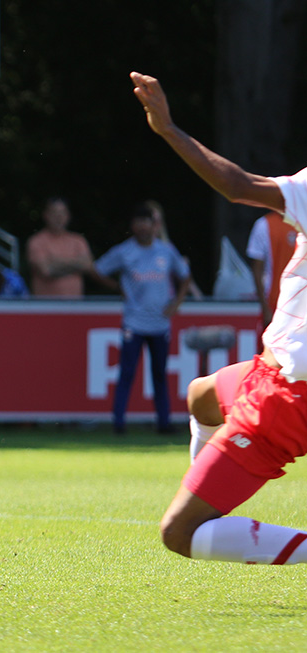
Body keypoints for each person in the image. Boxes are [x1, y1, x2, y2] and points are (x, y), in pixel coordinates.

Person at [132, 70, 307, 566]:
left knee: (178, 534)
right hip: (273, 375)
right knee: (201, 395)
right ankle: (209, 489)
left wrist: (168, 129)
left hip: (286, 396)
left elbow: (236, 186)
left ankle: (205, 514)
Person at [94, 205, 191, 435]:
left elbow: (185, 276)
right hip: (134, 322)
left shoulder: (165, 251)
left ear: (153, 225)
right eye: (139, 223)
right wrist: (117, 287)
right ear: (133, 227)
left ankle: (164, 422)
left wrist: (176, 303)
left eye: (147, 222)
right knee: (126, 372)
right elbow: (97, 269)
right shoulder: (124, 252)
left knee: (159, 374)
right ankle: (118, 422)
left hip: (159, 322)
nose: (143, 227)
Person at [25, 197, 94, 297]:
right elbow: (46, 270)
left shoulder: (78, 241)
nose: (59, 217)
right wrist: (76, 264)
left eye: (62, 212)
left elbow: (88, 266)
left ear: (68, 215)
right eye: (54, 212)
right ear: (46, 215)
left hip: (75, 307)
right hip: (45, 308)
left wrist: (55, 261)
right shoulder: (36, 241)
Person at [246, 211, 296, 327]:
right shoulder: (264, 224)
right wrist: (265, 308)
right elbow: (257, 269)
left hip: (301, 305)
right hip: (274, 303)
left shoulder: (303, 222)